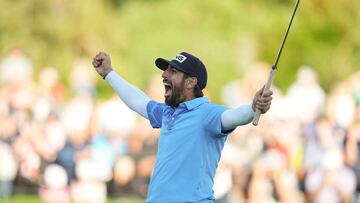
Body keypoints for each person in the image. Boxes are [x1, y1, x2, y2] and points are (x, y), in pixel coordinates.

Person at [92, 51, 273, 202]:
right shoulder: (168, 113)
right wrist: (108, 73)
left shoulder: (206, 113)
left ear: (190, 82)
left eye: (173, 71)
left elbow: (234, 116)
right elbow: (138, 100)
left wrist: (253, 107)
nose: (164, 74)